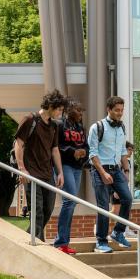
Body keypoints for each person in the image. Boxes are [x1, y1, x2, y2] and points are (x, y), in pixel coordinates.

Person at [14, 89, 67, 242]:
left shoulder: (54, 126)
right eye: (59, 109)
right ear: (51, 106)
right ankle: (38, 245)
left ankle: (28, 238)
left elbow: (55, 150)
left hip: (48, 174)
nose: (60, 113)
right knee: (37, 212)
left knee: (48, 210)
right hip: (31, 174)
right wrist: (22, 169)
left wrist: (60, 172)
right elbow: (19, 144)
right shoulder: (30, 120)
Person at [88, 96, 133, 254]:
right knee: (104, 206)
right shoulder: (97, 127)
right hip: (100, 169)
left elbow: (122, 152)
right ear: (109, 109)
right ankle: (101, 241)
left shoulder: (121, 128)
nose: (120, 113)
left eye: (122, 110)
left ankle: (118, 232)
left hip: (117, 170)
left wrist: (126, 171)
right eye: (117, 110)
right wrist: (103, 173)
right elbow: (92, 154)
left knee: (127, 198)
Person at [54, 98, 89, 254]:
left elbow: (86, 146)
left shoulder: (80, 127)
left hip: (77, 167)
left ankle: (64, 243)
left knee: (71, 202)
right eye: (78, 111)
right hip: (65, 166)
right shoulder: (60, 125)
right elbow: (56, 146)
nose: (81, 114)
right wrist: (71, 151)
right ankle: (60, 242)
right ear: (69, 110)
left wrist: (83, 153)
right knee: (69, 200)